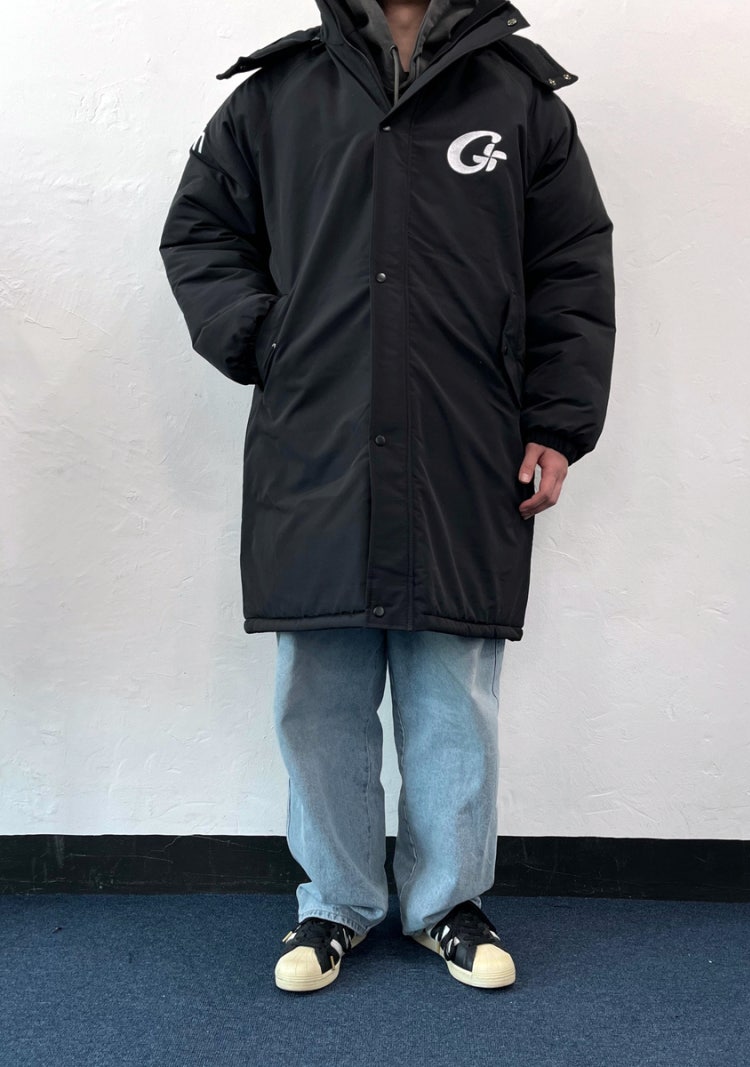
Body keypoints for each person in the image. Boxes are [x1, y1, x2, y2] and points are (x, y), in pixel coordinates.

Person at [159, 0, 615, 994]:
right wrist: (266, 337)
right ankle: (334, 902)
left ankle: (447, 902)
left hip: (465, 444)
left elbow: (571, 265)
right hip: (317, 440)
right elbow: (200, 233)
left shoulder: (519, 102)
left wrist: (557, 420)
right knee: (318, 689)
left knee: (452, 689)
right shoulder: (278, 95)